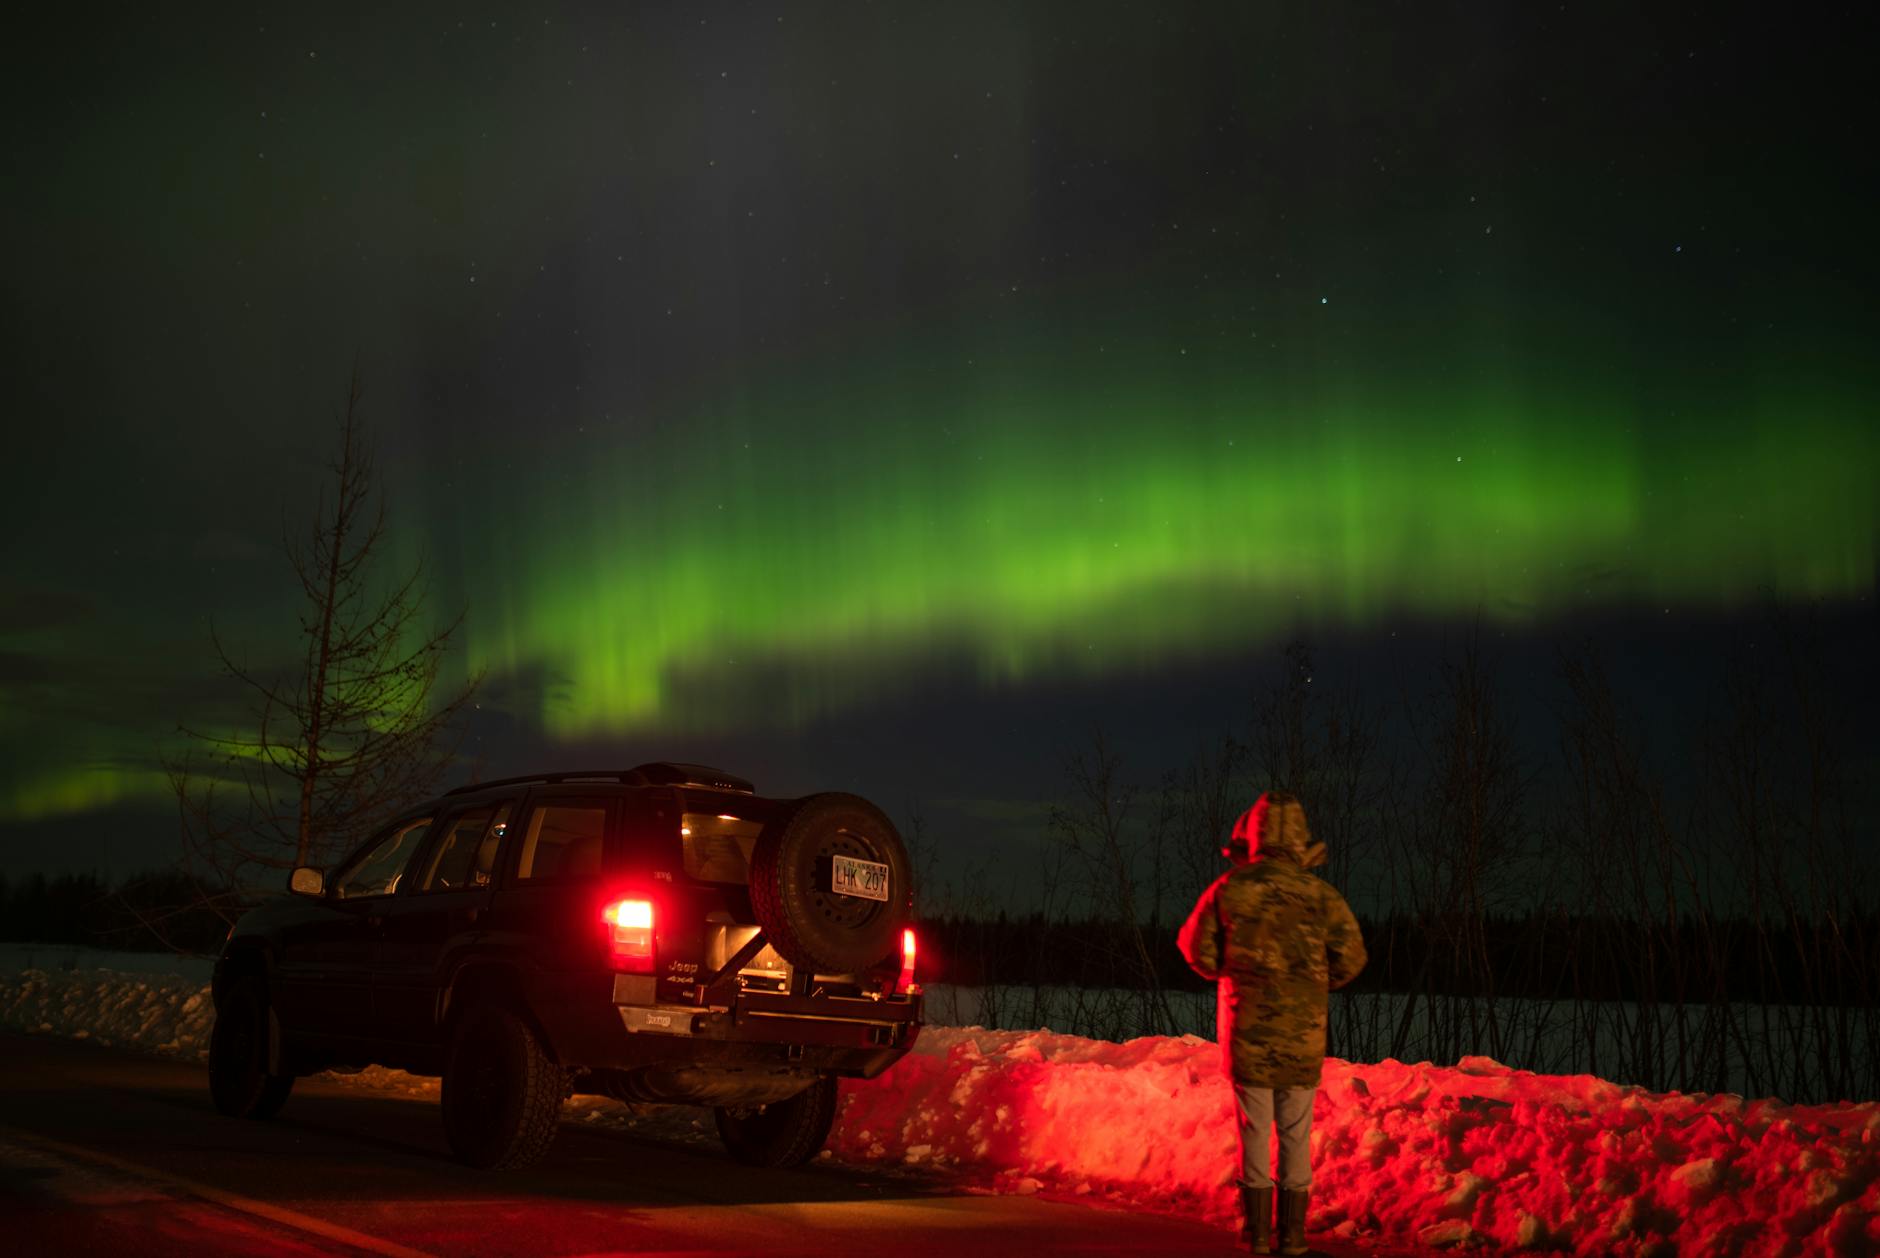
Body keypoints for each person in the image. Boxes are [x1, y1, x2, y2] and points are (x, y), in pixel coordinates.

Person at [1178, 791, 1367, 1256]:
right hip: (1302, 1038)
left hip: (1249, 1035)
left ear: (1254, 834)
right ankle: (1295, 1236)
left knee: (1255, 1131)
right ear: (1300, 837)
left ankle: (1258, 1234)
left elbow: (1194, 949)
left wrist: (1231, 969)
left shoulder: (1231, 888)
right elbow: (1352, 958)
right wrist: (1316, 982)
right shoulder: (1321, 895)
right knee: (1296, 1133)